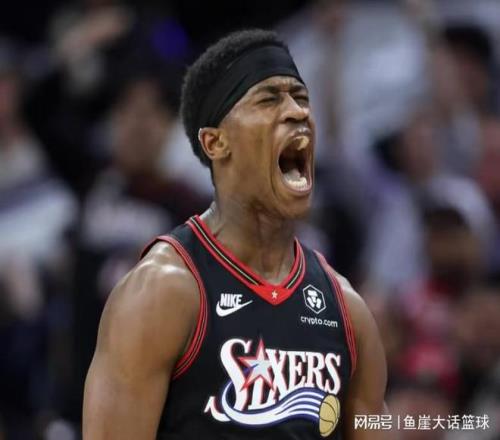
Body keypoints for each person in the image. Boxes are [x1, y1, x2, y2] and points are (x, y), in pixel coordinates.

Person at [83, 29, 389, 439]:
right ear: (215, 142)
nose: (297, 112)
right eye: (268, 99)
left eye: (301, 98)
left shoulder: (347, 311)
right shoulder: (163, 292)